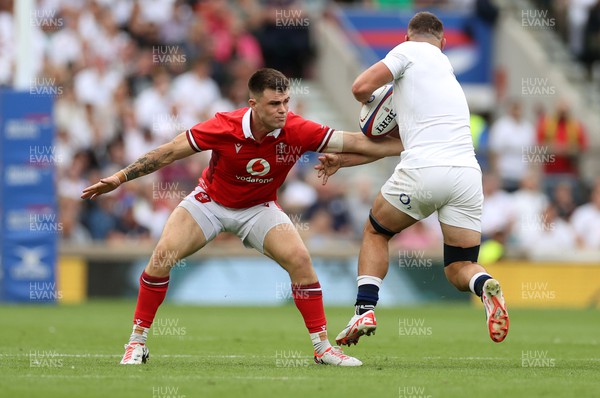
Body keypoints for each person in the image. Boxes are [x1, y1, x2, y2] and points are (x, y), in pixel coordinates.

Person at [81, 68, 403, 366]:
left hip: (258, 208)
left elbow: (358, 143)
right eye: (274, 103)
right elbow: (169, 151)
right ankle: (137, 342)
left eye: (286, 101)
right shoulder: (224, 125)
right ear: (253, 104)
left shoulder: (298, 129)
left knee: (301, 261)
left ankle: (322, 349)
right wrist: (120, 178)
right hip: (210, 202)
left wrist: (405, 144)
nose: (283, 109)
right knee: (161, 257)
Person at [315, 12, 509, 347]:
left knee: (376, 230)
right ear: (443, 42)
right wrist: (345, 160)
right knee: (460, 265)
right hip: (466, 176)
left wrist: (373, 105)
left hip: (424, 170)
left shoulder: (408, 52)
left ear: (407, 36)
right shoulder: (446, 77)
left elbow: (359, 86)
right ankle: (485, 285)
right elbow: (398, 145)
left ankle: (364, 309)